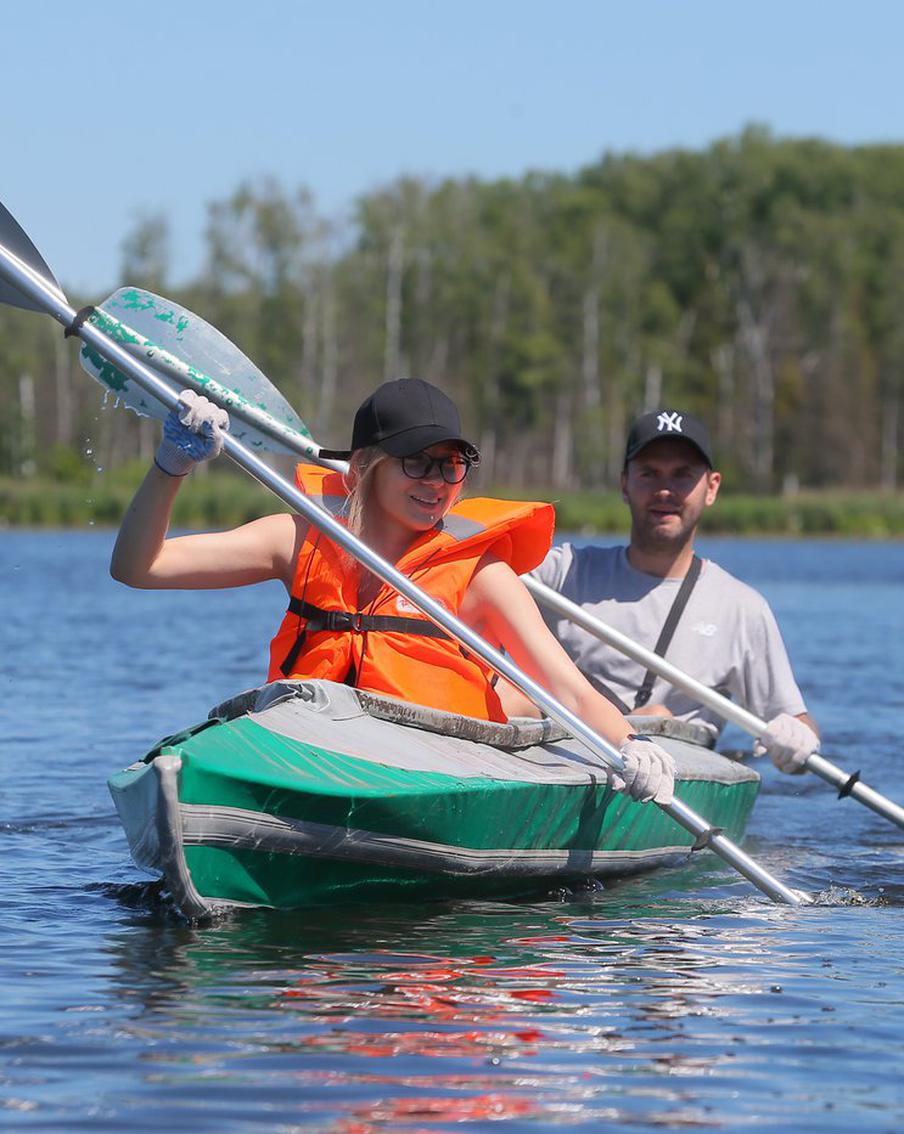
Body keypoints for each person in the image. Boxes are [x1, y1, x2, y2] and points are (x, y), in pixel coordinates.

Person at [111, 379, 677, 804]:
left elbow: (569, 691)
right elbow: (140, 567)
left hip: (433, 768)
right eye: (416, 463)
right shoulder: (299, 539)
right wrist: (172, 466)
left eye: (451, 466)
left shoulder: (480, 575)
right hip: (315, 749)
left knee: (516, 695)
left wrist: (631, 745)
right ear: (363, 467)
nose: (435, 482)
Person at [501, 408, 820, 775]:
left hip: (673, 770)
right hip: (562, 756)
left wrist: (797, 738)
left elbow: (794, 721)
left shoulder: (741, 608)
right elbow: (478, 587)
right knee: (510, 694)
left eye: (682, 475)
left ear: (712, 487)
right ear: (624, 484)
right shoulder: (564, 570)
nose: (665, 491)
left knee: (656, 716)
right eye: (650, 474)